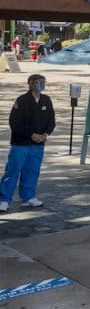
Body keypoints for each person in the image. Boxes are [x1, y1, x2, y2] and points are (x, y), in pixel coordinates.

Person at [1, 74, 55, 213]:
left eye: (43, 82)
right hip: (21, 144)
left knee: (32, 171)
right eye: (37, 82)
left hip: (38, 144)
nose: (40, 84)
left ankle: (28, 196)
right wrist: (31, 134)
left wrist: (45, 134)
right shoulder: (22, 100)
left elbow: (51, 120)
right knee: (13, 170)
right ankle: (4, 199)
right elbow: (14, 122)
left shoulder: (46, 100)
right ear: (30, 84)